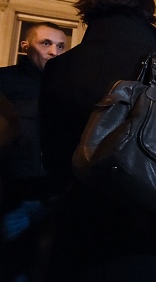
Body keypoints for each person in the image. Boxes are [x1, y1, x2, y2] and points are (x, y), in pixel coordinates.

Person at [37, 0, 156, 282]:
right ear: (144, 9)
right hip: (154, 235)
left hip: (80, 234)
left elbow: (52, 156)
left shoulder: (59, 68)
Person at [0, 21, 67, 282]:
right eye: (46, 43)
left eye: (61, 46)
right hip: (13, 196)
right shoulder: (5, 81)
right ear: (26, 46)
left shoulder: (65, 87)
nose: (54, 52)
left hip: (53, 196)